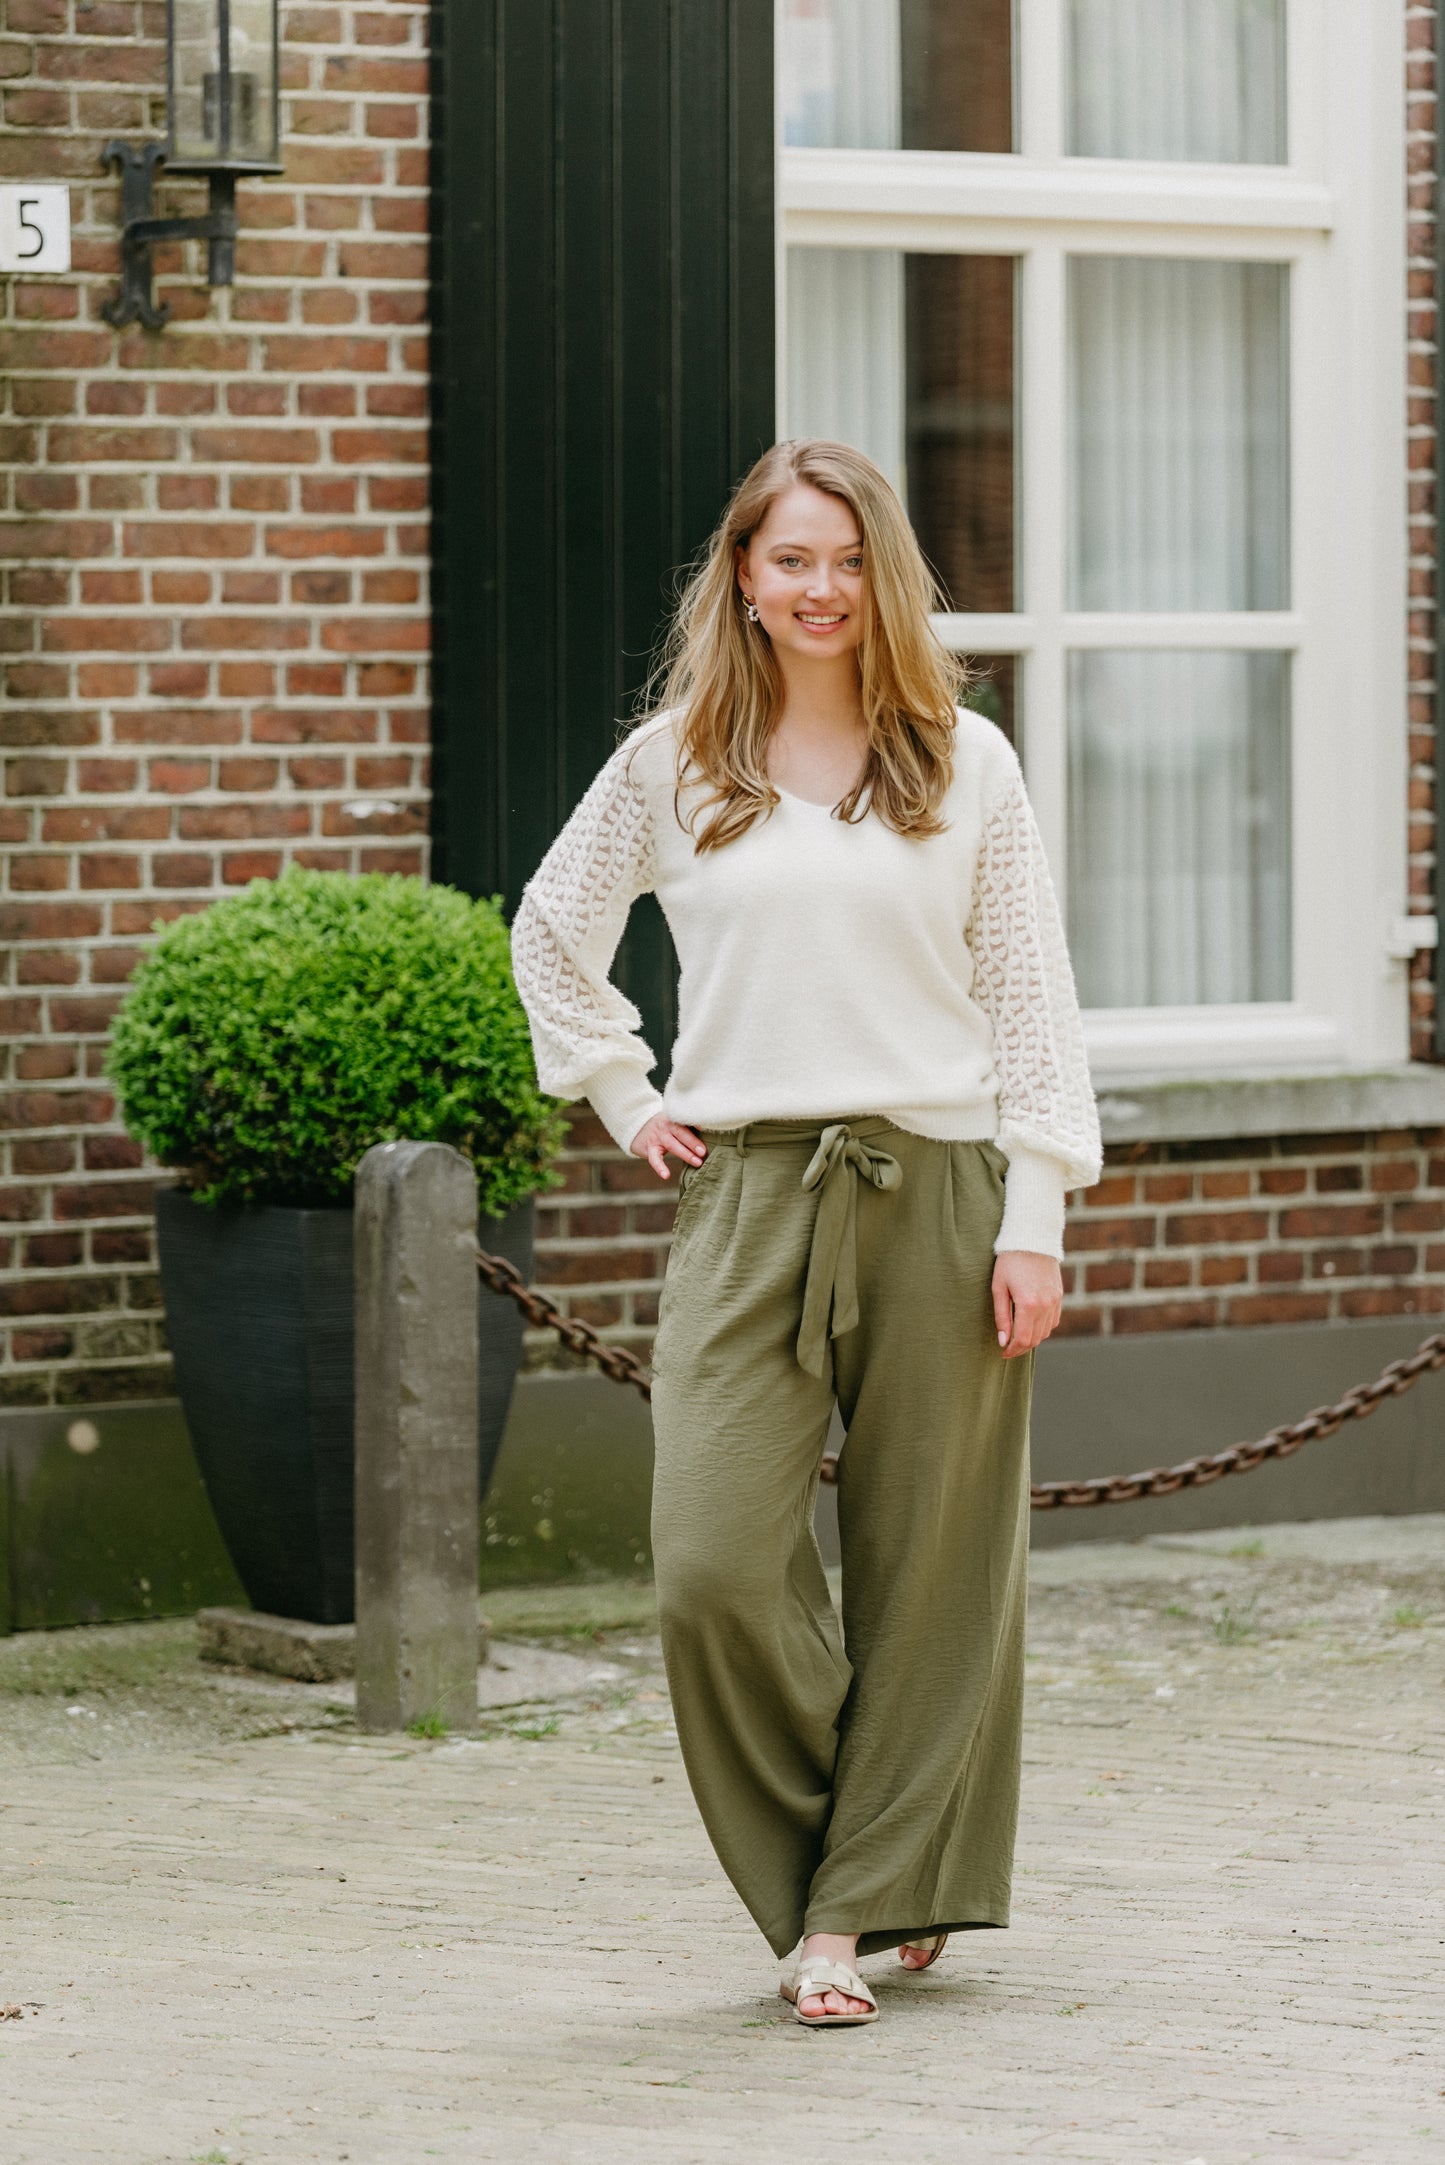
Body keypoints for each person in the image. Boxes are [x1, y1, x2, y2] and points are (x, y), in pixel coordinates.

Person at [511, 439, 1101, 2027]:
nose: (821, 587)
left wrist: (1034, 1216)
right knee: (710, 1564)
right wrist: (623, 1094)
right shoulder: (672, 765)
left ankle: (845, 1916)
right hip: (750, 1191)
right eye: (791, 558)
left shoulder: (964, 761)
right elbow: (552, 934)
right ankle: (859, 1853)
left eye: (847, 559)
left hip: (943, 1189)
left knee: (934, 1572)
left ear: (883, 576)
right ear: (744, 576)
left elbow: (1031, 999)